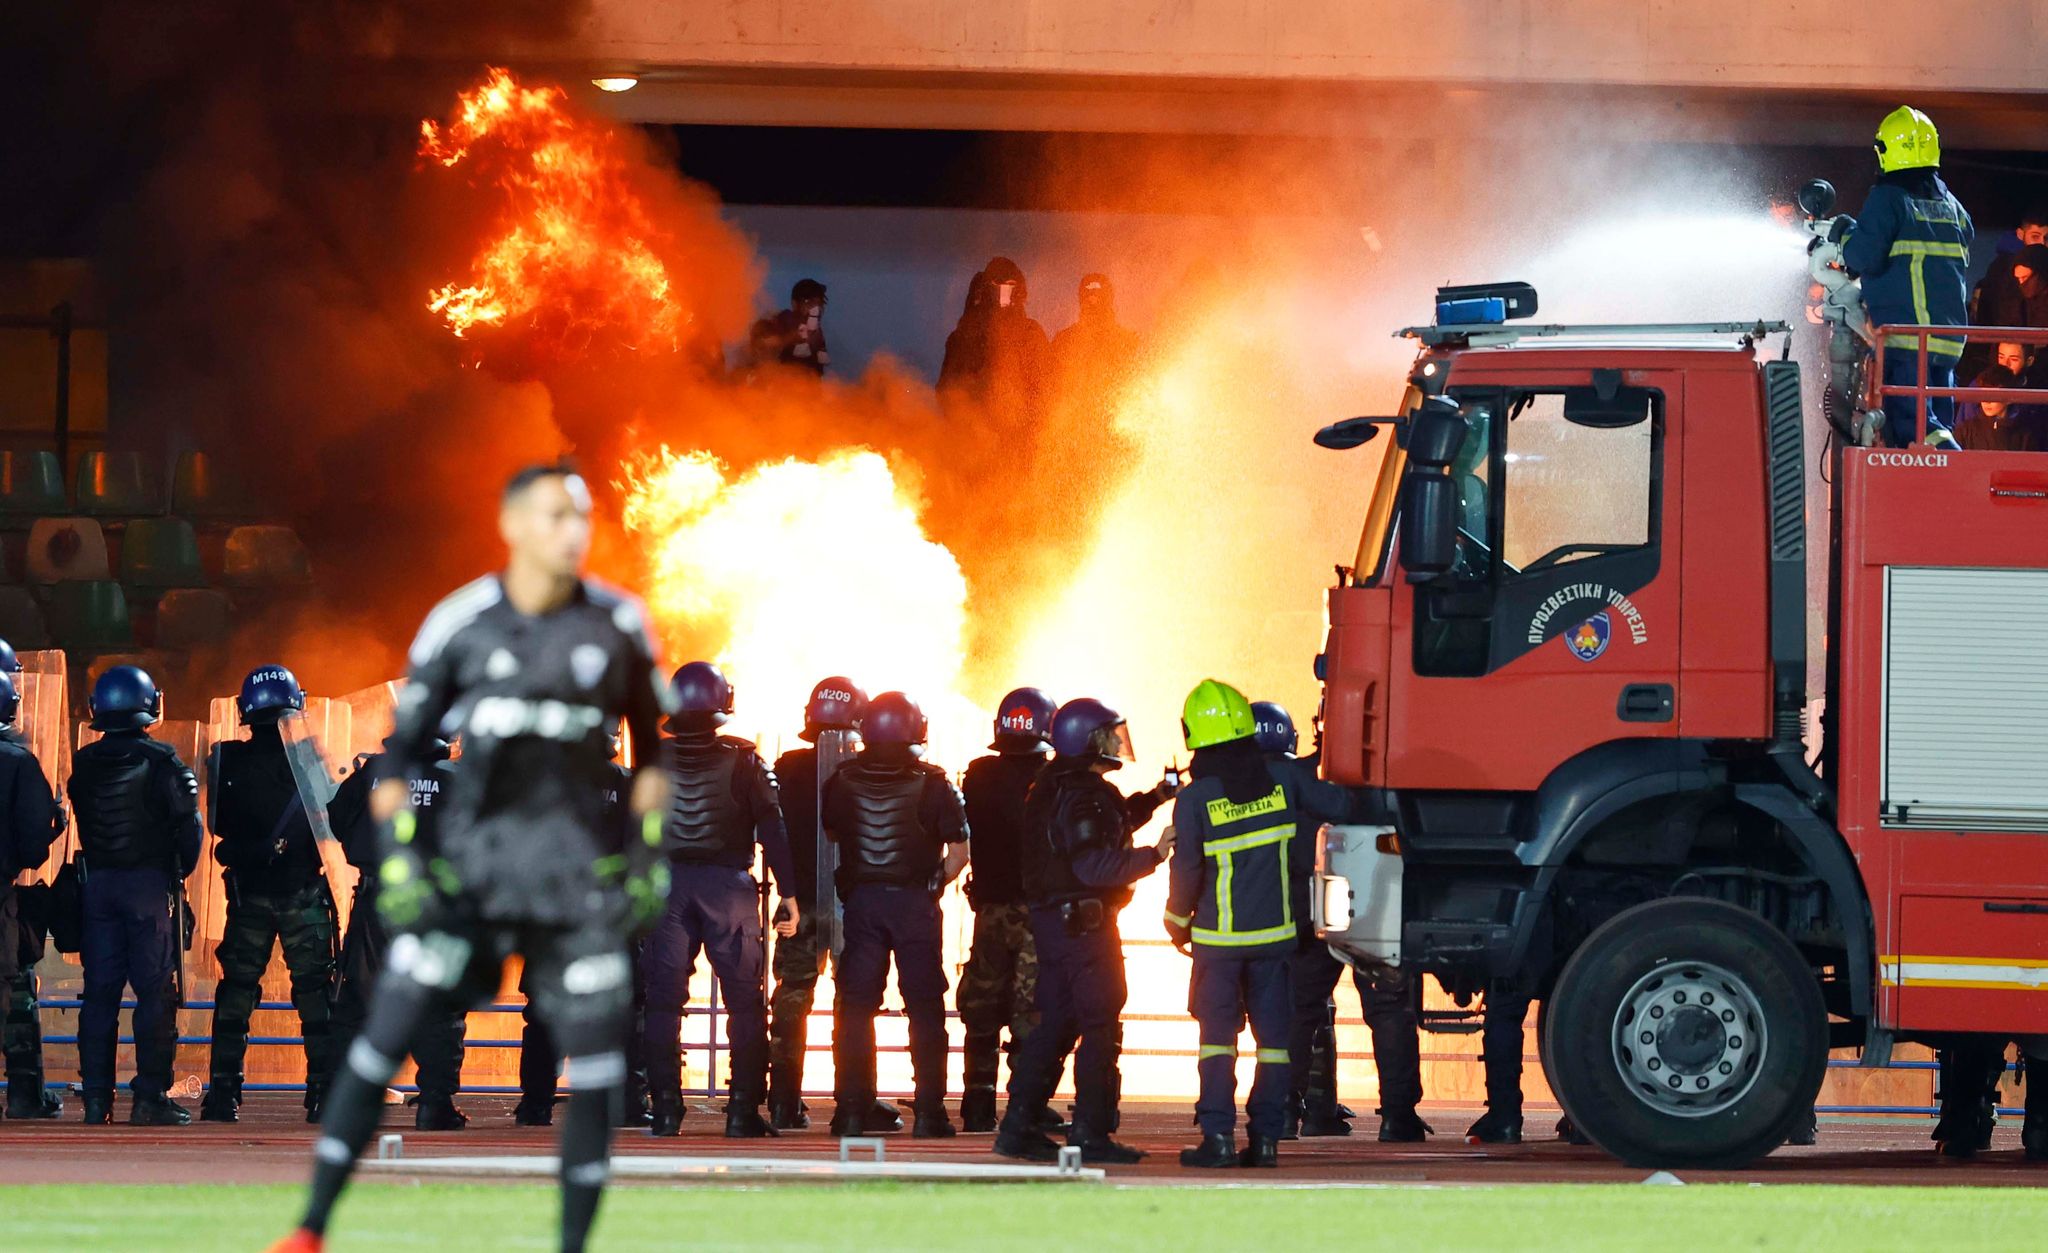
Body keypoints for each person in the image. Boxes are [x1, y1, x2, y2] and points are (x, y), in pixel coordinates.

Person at [266, 463, 670, 1253]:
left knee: (591, 1057)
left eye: (576, 518)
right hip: (476, 877)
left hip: (570, 879)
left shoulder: (619, 625)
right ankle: (310, 1227)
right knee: (384, 1030)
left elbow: (652, 757)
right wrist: (411, 869)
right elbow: (400, 760)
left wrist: (646, 862)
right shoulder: (459, 622)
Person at [994, 698, 1176, 1165]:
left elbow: (1101, 828)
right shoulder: (1083, 792)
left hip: (1057, 926)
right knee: (1099, 1024)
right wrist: (1154, 856)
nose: (1117, 742)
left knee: (1055, 1024)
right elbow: (1094, 861)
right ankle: (1091, 1132)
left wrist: (1156, 797)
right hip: (1084, 930)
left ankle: (1018, 1125)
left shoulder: (1059, 785)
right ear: (1088, 740)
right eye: (1109, 734)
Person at [1249, 700, 1429, 1143]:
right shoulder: (1388, 779)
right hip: (1373, 907)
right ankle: (1398, 1117)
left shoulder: (1293, 779)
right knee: (1388, 1008)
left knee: (1299, 1010)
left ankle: (1287, 1110)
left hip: (1308, 907)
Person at [643, 661, 799, 1138]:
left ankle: (667, 1112)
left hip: (665, 888)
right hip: (728, 889)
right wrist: (789, 895)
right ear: (722, 703)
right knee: (745, 1004)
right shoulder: (746, 760)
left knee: (663, 1005)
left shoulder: (652, 760)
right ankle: (741, 1113)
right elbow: (774, 830)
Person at [1164, 681, 1306, 1169]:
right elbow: (1340, 807)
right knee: (1275, 1047)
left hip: (1217, 946)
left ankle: (1218, 1140)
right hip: (1275, 941)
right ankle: (1266, 1142)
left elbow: (1185, 871)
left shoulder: (1195, 797)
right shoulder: (1283, 784)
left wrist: (1176, 923)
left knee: (1218, 1042)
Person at [821, 690, 969, 1138]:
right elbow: (960, 853)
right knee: (925, 1008)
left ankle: (850, 1112)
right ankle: (930, 1114)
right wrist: (932, 884)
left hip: (863, 904)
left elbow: (833, 835)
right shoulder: (936, 782)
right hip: (914, 907)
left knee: (855, 1010)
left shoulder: (840, 779)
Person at [200, 666, 341, 1125]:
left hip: (249, 896)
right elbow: (333, 821)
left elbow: (218, 826)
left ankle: (223, 1095)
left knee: (236, 997)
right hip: (303, 892)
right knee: (317, 997)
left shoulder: (225, 759)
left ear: (245, 710)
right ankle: (322, 1094)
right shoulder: (309, 759)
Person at [70, 664, 202, 1126]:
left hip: (99, 888)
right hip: (148, 887)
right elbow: (191, 834)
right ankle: (149, 1099)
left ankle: (94, 1101)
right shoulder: (164, 762)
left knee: (99, 995)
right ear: (150, 705)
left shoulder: (82, 764)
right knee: (154, 995)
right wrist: (176, 873)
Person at [327, 741, 472, 1130]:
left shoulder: (372, 773)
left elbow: (338, 820)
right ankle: (434, 1105)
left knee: (356, 1001)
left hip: (377, 899)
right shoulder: (459, 779)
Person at [765, 676, 885, 1130]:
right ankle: (853, 1104)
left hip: (796, 902)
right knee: (853, 1004)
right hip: (851, 903)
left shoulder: (786, 765)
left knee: (791, 1000)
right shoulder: (869, 769)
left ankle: (782, 1102)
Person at [518, 726, 651, 1129]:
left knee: (544, 1011)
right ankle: (627, 1104)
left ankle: (535, 1105)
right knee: (625, 1011)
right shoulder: (628, 785)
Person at [1833, 106, 1974, 449]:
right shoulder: (1952, 205)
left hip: (1908, 340)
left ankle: (1954, 474)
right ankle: (1944, 491)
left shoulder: (1888, 198)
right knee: (1936, 421)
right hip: (1947, 341)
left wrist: (1845, 234)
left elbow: (1863, 256)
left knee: (1914, 427)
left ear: (1886, 151)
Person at [956, 686, 1057, 1132]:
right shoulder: (1054, 780)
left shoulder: (977, 775)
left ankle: (977, 1103)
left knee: (981, 1006)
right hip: (1039, 912)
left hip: (990, 912)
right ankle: (1024, 1104)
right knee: (1030, 1010)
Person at [0, 669, 62, 1122]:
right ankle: (24, 1094)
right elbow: (36, 842)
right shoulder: (19, 761)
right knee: (12, 989)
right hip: (5, 894)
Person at [939, 257, 1050, 429]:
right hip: (975, 435)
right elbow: (948, 388)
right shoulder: (965, 336)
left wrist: (1033, 428)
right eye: (997, 284)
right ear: (985, 289)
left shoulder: (1030, 333)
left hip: (1020, 436)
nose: (1004, 292)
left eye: (1010, 284)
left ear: (1019, 290)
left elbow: (1045, 385)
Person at [1051, 273, 1141, 402]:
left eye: (1098, 295)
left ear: (1108, 298)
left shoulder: (1127, 340)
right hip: (1073, 417)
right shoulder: (1064, 340)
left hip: (1116, 415)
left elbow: (1138, 385)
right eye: (1088, 295)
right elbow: (1051, 386)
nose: (1092, 300)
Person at [1955, 364, 2040, 451]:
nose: (1987, 402)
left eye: (1993, 396)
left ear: (2009, 399)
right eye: (1983, 395)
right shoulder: (1965, 431)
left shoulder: (2024, 436)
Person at [771, 278, 830, 375]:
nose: (816, 308)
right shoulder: (786, 319)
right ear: (795, 303)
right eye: (809, 302)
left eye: (819, 303)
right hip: (785, 384)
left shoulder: (818, 334)